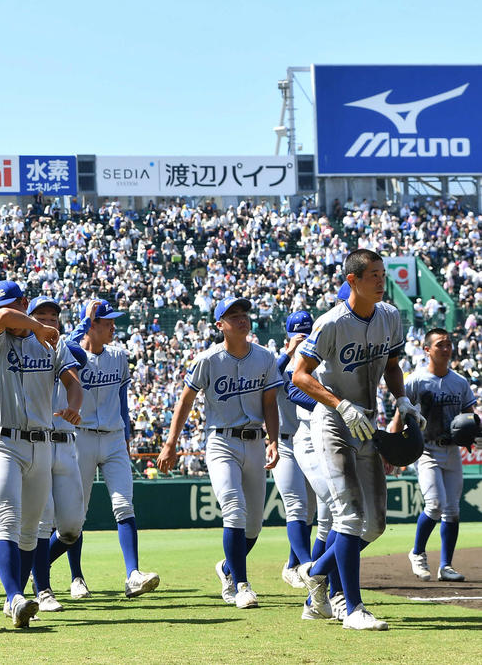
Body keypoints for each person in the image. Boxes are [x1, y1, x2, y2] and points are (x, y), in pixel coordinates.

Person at [291, 249, 419, 631]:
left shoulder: (390, 316)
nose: (382, 281)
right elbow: (299, 375)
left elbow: (392, 366)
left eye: (383, 274)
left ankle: (316, 571)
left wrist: (402, 399)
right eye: (374, 275)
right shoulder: (331, 322)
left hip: (367, 421)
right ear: (353, 281)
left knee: (374, 525)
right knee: (349, 516)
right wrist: (339, 404)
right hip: (332, 420)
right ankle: (352, 608)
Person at [157, 297, 280, 609]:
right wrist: (171, 442)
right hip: (221, 441)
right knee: (234, 509)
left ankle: (227, 568)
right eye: (233, 315)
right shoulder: (208, 359)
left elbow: (269, 403)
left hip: (254, 441)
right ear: (220, 325)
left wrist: (274, 440)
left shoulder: (265, 357)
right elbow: (185, 399)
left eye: (244, 314)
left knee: (254, 526)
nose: (242, 319)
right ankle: (241, 585)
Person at [0, 280, 78, 629]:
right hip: (1, 439)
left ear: (24, 301)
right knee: (6, 517)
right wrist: (37, 325)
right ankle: (14, 597)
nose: (4, 315)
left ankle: (15, 599)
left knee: (32, 530)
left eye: (13, 305)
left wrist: (74, 407)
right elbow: (2, 317)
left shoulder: (52, 344)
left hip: (42, 442)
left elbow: (73, 383)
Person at [65, 299, 160, 600]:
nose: (113, 327)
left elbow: (122, 400)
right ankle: (75, 577)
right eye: (107, 322)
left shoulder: (119, 355)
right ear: (91, 325)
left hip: (114, 437)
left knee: (124, 505)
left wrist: (127, 435)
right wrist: (84, 321)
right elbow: (63, 348)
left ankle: (133, 574)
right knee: (75, 516)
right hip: (81, 437)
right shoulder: (74, 354)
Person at [25, 297, 86, 614]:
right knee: (41, 523)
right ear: (29, 318)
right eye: (41, 315)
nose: (50, 320)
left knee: (72, 527)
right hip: (39, 441)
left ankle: (28, 569)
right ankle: (43, 589)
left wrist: (74, 408)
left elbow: (76, 379)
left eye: (54, 316)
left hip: (67, 442)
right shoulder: (21, 351)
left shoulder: (65, 351)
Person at [405, 328, 476, 582]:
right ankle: (417, 553)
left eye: (449, 344)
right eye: (440, 345)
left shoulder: (460, 382)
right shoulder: (416, 380)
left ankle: (446, 566)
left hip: (452, 450)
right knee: (434, 504)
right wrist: (390, 449)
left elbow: (470, 415)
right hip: (426, 449)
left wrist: (474, 434)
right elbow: (399, 416)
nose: (446, 349)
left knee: (453, 511)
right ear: (427, 350)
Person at [274, 311, 318, 589]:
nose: (301, 342)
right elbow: (270, 376)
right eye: (296, 336)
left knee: (310, 512)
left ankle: (292, 565)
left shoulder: (316, 363)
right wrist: (287, 353)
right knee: (296, 507)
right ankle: (307, 566)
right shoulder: (276, 363)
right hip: (283, 442)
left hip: (311, 441)